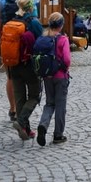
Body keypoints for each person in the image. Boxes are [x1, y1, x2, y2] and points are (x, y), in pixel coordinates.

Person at [10, 0, 43, 140]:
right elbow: (41, 42)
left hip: (13, 64)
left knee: (20, 98)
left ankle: (25, 131)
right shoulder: (33, 22)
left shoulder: (12, 20)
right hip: (29, 64)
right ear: (30, 6)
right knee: (35, 96)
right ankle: (21, 121)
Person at [36, 12, 71, 146]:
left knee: (49, 103)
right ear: (61, 25)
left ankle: (43, 125)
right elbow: (67, 59)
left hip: (47, 76)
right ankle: (58, 134)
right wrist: (66, 68)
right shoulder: (63, 39)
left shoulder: (44, 38)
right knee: (60, 105)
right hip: (60, 76)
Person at [0, 0, 25, 122]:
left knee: (10, 78)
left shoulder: (3, 3)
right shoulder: (27, 3)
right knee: (24, 77)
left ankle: (12, 109)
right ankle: (21, 110)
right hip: (23, 46)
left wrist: (3, 43)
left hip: (8, 45)